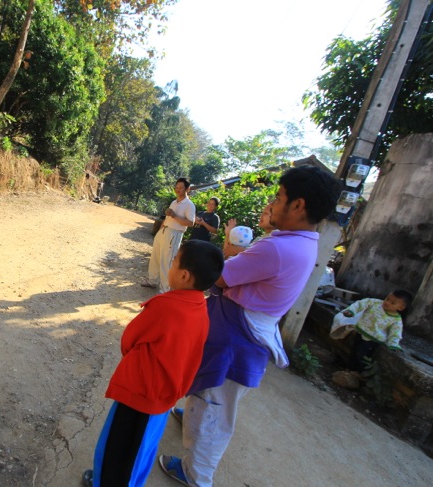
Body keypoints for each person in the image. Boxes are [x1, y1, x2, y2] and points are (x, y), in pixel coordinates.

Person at [158, 165, 341, 487]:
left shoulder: (277, 246)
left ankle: (196, 475)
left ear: (298, 205)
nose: (273, 202)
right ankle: (194, 411)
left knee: (214, 409)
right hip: (243, 326)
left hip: (236, 335)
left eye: (280, 197)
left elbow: (221, 276)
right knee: (209, 393)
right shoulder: (301, 241)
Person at [83, 240, 225, 487]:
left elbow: (130, 339)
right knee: (141, 453)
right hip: (163, 398)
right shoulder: (200, 306)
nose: (169, 266)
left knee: (119, 453)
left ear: (183, 275)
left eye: (174, 262)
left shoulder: (165, 305)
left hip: (140, 396)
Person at [330, 289, 413, 371]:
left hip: (372, 340)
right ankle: (349, 369)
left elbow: (395, 333)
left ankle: (357, 373)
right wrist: (351, 310)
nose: (387, 302)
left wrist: (393, 344)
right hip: (360, 332)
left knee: (362, 356)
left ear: (401, 307)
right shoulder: (375, 303)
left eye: (392, 303)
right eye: (387, 299)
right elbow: (361, 303)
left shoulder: (396, 320)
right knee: (354, 351)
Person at [146, 178, 196, 293]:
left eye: (181, 187)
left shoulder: (189, 205)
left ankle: (164, 290)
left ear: (187, 189)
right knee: (156, 256)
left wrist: (174, 216)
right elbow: (168, 217)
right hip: (165, 230)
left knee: (167, 261)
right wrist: (160, 229)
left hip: (174, 233)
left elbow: (191, 222)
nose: (178, 189)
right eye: (176, 187)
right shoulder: (174, 202)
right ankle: (152, 281)